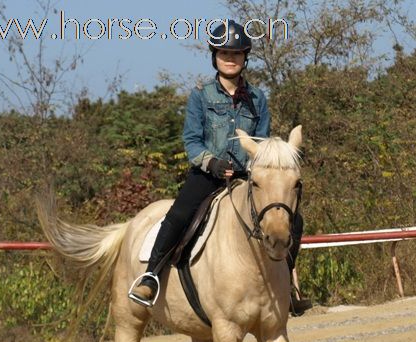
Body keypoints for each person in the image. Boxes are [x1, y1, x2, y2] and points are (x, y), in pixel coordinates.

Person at [129, 20, 311, 315]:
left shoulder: (258, 98)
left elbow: (261, 142)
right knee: (178, 215)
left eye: (236, 54)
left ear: (245, 58)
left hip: (247, 178)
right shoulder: (200, 95)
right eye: (224, 53)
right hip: (207, 175)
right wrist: (211, 163)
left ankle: (287, 288)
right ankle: (150, 276)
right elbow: (191, 140)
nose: (230, 59)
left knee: (294, 220)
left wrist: (257, 169)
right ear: (214, 56)